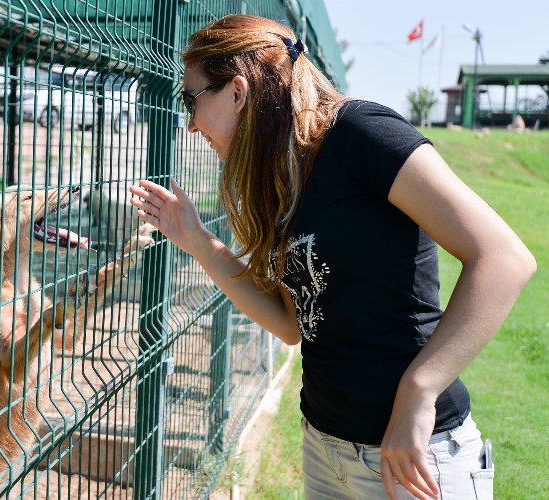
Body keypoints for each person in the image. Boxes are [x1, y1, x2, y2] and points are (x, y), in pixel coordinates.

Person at [129, 14, 536, 500]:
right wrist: (198, 241)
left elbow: (504, 258)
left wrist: (418, 391)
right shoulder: (282, 174)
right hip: (325, 449)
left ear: (237, 92)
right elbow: (289, 324)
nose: (191, 125)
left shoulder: (360, 132)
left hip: (411, 457)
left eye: (190, 100)